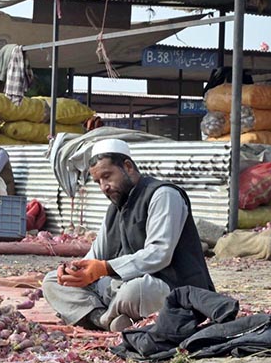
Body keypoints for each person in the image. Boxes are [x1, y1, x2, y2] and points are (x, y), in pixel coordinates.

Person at [41, 139, 214, 332]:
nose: (104, 187)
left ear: (128, 166)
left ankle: (101, 315)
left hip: (170, 287)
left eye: (107, 176)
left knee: (137, 290)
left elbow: (159, 254)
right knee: (52, 281)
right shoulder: (115, 208)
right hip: (122, 287)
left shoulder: (163, 195)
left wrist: (105, 268)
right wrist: (74, 270)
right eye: (98, 182)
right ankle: (104, 320)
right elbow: (96, 256)